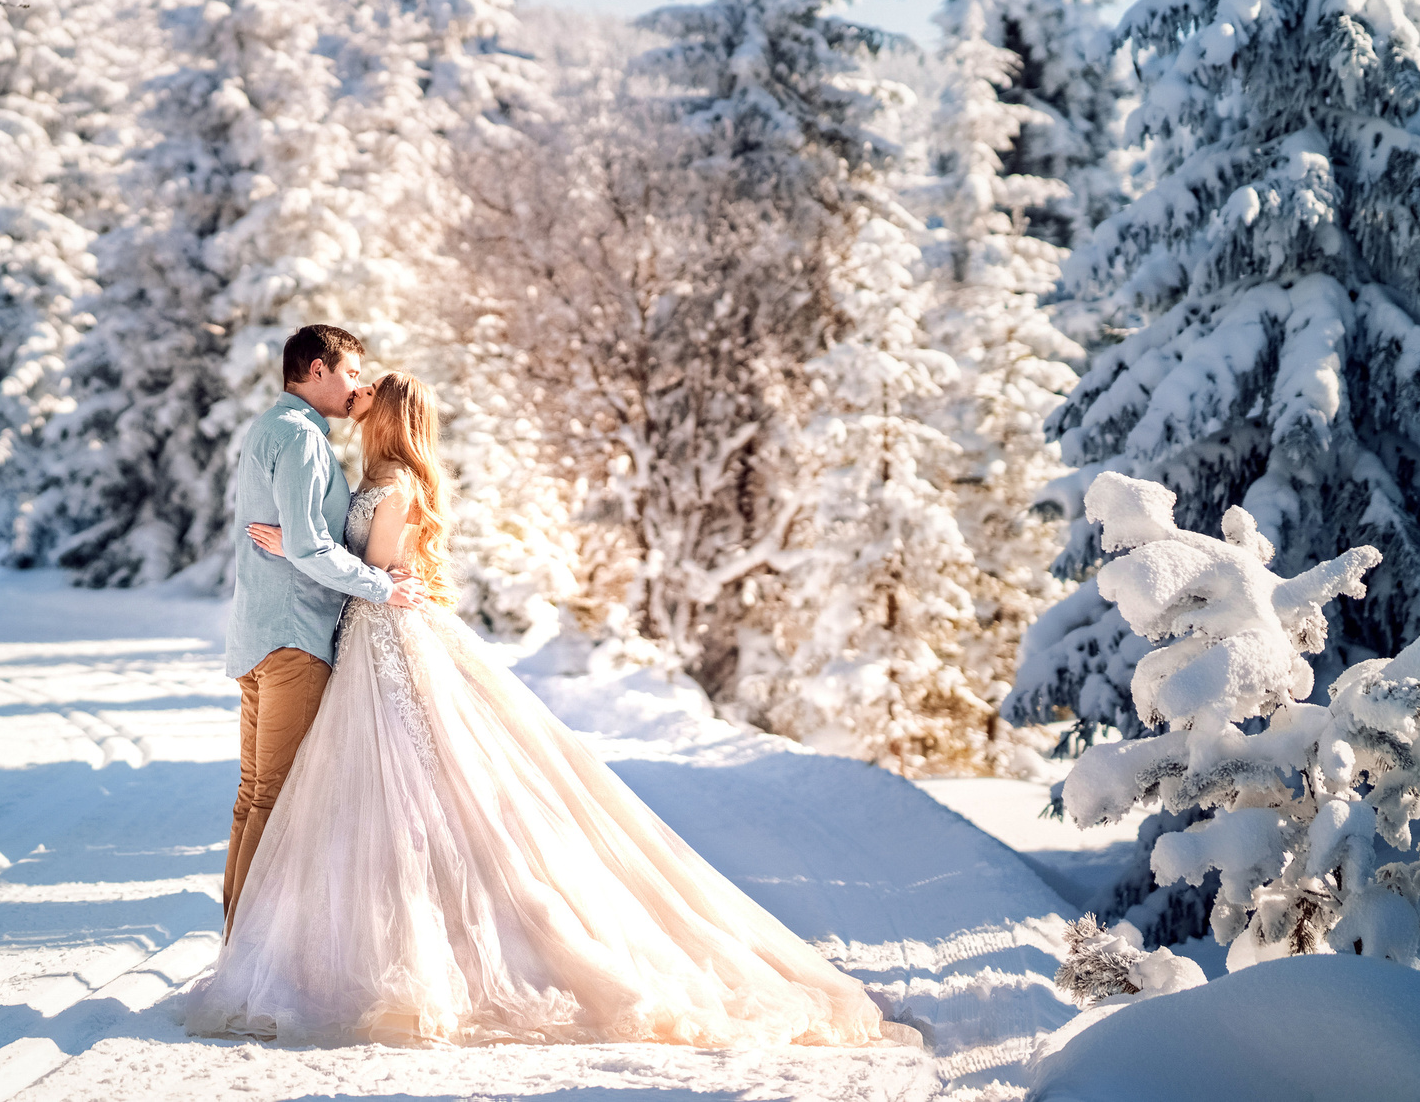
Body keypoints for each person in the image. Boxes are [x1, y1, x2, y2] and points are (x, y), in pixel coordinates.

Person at [187, 370, 914, 1049]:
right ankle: (298, 943)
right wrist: (304, 547)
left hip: (384, 637)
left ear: (390, 416)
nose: (358, 397)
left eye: (370, 393)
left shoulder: (396, 484)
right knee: (368, 796)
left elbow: (375, 574)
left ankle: (389, 946)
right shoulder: (373, 476)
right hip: (367, 639)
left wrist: (301, 550)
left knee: (410, 791)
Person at [218, 324, 426, 931]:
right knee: (276, 801)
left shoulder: (269, 427)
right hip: (294, 640)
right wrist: (384, 588)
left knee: (253, 796)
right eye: (351, 373)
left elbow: (299, 540)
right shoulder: (304, 438)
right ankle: (249, 947)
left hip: (259, 635)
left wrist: (302, 546)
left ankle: (235, 937)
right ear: (317, 370)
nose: (356, 386)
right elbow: (310, 546)